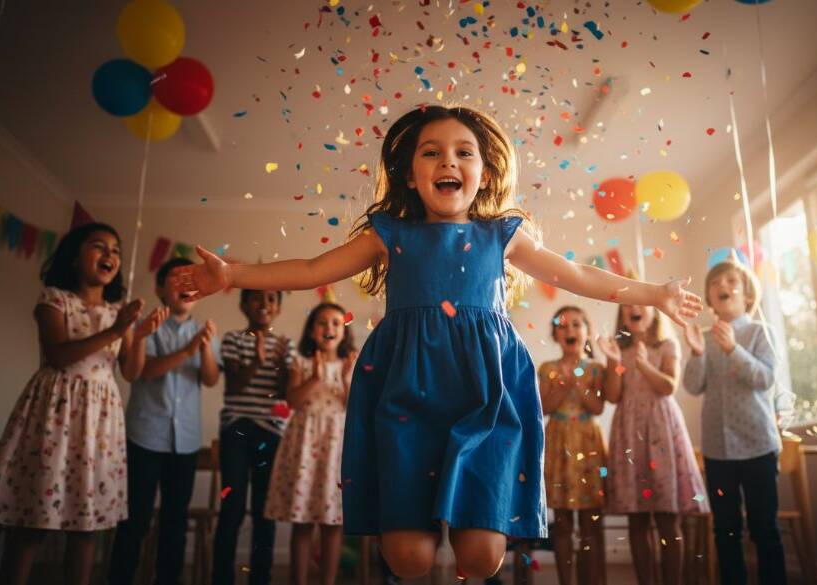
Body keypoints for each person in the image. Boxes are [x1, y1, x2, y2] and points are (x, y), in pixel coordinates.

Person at [169, 104, 702, 579]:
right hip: (407, 389)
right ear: (410, 173)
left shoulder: (503, 235)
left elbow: (576, 276)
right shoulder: (389, 233)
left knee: (481, 557)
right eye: (432, 152)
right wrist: (233, 276)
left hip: (484, 391)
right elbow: (311, 269)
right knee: (410, 560)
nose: (448, 162)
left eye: (462, 152)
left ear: (483, 172)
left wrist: (655, 293)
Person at [0, 222, 166, 585]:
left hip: (99, 426)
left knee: (87, 527)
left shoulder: (118, 312)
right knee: (32, 523)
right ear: (75, 258)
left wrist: (140, 336)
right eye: (99, 247)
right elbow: (59, 355)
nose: (110, 255)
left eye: (116, 250)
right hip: (55, 413)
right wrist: (117, 330)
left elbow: (133, 373)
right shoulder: (54, 299)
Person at [107, 257, 221, 585]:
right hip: (145, 436)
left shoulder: (206, 332)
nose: (185, 285)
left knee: (175, 523)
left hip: (185, 441)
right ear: (160, 289)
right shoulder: (144, 326)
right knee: (135, 521)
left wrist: (204, 348)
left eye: (191, 279)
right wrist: (187, 351)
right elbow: (142, 371)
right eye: (175, 279)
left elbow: (211, 379)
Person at [683, 253, 786, 585]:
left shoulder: (760, 332)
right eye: (715, 283)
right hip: (718, 452)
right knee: (725, 531)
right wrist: (698, 354)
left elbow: (766, 379)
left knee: (764, 529)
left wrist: (733, 350)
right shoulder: (704, 337)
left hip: (758, 447)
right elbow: (692, 386)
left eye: (730, 281)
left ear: (747, 294)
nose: (722, 286)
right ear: (710, 297)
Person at [597, 296, 708, 585]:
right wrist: (613, 361)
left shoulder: (666, 346)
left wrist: (644, 365)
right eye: (628, 306)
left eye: (639, 304)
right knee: (637, 518)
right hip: (629, 432)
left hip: (661, 431)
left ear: (653, 312)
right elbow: (612, 395)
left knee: (668, 516)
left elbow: (668, 386)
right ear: (623, 315)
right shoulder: (619, 350)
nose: (633, 308)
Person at [265, 303, 356, 585]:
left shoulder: (349, 363)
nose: (329, 328)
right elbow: (292, 401)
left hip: (335, 446)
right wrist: (316, 378)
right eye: (322, 323)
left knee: (333, 523)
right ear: (312, 330)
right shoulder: (301, 362)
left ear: (344, 331)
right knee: (302, 520)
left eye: (336, 323)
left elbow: (354, 408)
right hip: (304, 444)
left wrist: (345, 379)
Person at [213, 289, 296, 585]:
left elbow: (287, 395)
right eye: (257, 298)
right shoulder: (233, 339)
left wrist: (281, 365)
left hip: (271, 433)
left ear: (279, 308)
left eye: (272, 299)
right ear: (243, 305)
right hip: (236, 429)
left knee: (265, 512)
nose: (264, 304)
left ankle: (260, 578)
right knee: (231, 510)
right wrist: (258, 360)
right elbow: (233, 386)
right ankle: (221, 578)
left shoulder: (285, 345)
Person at [538, 306, 607, 585]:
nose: (570, 330)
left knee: (591, 520)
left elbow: (598, 407)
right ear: (555, 334)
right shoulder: (547, 369)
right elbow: (543, 407)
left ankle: (592, 579)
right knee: (563, 520)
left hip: (588, 442)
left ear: (587, 332)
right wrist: (563, 386)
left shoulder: (596, 368)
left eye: (576, 325)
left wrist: (579, 385)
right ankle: (566, 580)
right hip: (558, 443)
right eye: (563, 326)